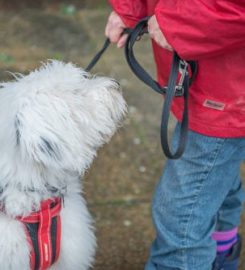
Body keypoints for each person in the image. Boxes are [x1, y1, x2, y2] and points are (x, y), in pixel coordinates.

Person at [105, 1, 245, 270]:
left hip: (227, 89)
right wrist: (132, 7)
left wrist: (178, 23)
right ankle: (222, 253)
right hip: (208, 78)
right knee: (216, 180)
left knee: (181, 215)